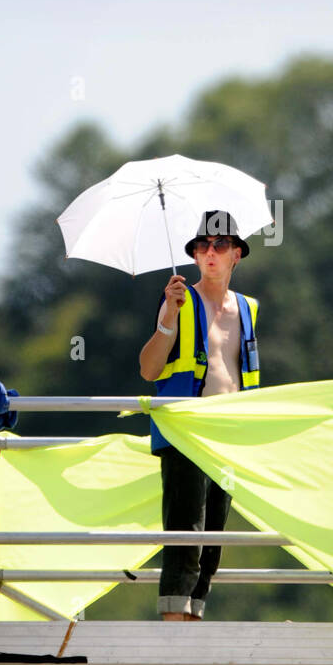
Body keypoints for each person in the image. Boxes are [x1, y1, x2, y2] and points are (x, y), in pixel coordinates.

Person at [138, 209, 260, 621]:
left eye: (220, 244)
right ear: (193, 255)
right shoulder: (177, 298)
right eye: (203, 246)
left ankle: (192, 621)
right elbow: (149, 370)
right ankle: (174, 624)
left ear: (236, 255)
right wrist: (167, 320)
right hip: (185, 429)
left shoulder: (247, 308)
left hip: (229, 434)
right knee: (185, 534)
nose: (211, 252)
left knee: (212, 542)